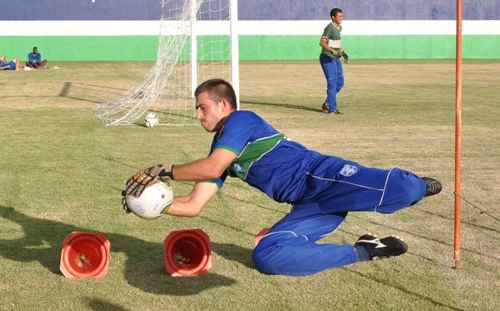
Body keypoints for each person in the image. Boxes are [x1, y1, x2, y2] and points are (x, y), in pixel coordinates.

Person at [122, 78, 442, 277]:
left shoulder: (241, 120)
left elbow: (209, 167)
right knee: (267, 256)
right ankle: (366, 250)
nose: (197, 115)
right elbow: (193, 205)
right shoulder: (221, 152)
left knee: (403, 188)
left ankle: (417, 186)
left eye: (202, 107)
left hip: (322, 176)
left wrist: (164, 170)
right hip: (308, 206)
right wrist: (153, 204)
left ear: (223, 104)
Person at [319, 8, 349, 115]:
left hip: (336, 58)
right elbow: (322, 42)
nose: (342, 18)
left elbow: (336, 44)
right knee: (332, 84)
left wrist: (343, 53)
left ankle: (327, 103)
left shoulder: (339, 28)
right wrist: (332, 51)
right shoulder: (329, 27)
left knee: (340, 83)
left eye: (342, 16)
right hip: (327, 58)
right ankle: (332, 109)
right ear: (333, 17)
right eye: (339, 16)